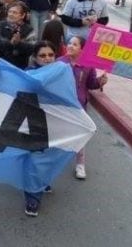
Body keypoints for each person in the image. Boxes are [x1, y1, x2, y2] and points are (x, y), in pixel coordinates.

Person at [58, 36, 107, 180]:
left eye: (75, 44)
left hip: (80, 107)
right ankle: (56, 162)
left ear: (82, 49)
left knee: (80, 135)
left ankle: (80, 164)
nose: (70, 46)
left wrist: (100, 82)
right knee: (60, 134)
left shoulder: (88, 66)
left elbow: (91, 84)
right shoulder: (60, 63)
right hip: (62, 106)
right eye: (69, 43)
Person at [23, 41, 59, 216]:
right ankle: (32, 198)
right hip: (34, 124)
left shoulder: (62, 74)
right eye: (42, 55)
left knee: (49, 157)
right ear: (35, 58)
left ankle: (43, 181)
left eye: (50, 55)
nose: (47, 59)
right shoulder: (28, 74)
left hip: (56, 124)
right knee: (35, 159)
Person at [0, 1, 37, 69]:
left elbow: (32, 49)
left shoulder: (29, 29)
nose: (11, 14)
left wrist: (19, 43)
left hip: (21, 66)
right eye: (10, 11)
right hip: (1, 65)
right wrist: (9, 43)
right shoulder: (0, 25)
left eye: (15, 12)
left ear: (22, 15)